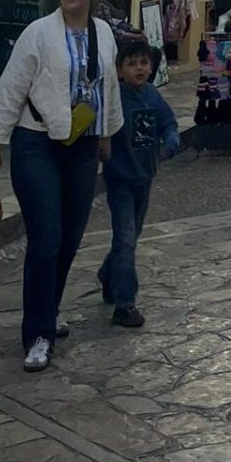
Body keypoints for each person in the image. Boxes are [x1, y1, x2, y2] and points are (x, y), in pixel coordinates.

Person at [0, 0, 123, 372]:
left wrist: (107, 133)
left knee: (70, 235)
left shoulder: (104, 34)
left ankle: (49, 308)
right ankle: (38, 334)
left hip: (82, 145)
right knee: (46, 237)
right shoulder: (38, 33)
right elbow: (11, 86)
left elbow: (107, 86)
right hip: (36, 142)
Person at [96, 34, 179, 329]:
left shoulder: (153, 96)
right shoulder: (115, 97)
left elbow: (169, 122)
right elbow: (101, 124)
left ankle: (109, 273)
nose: (139, 68)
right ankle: (125, 304)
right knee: (126, 238)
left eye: (144, 63)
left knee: (133, 235)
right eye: (132, 64)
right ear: (120, 70)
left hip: (145, 178)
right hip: (120, 180)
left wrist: (170, 141)